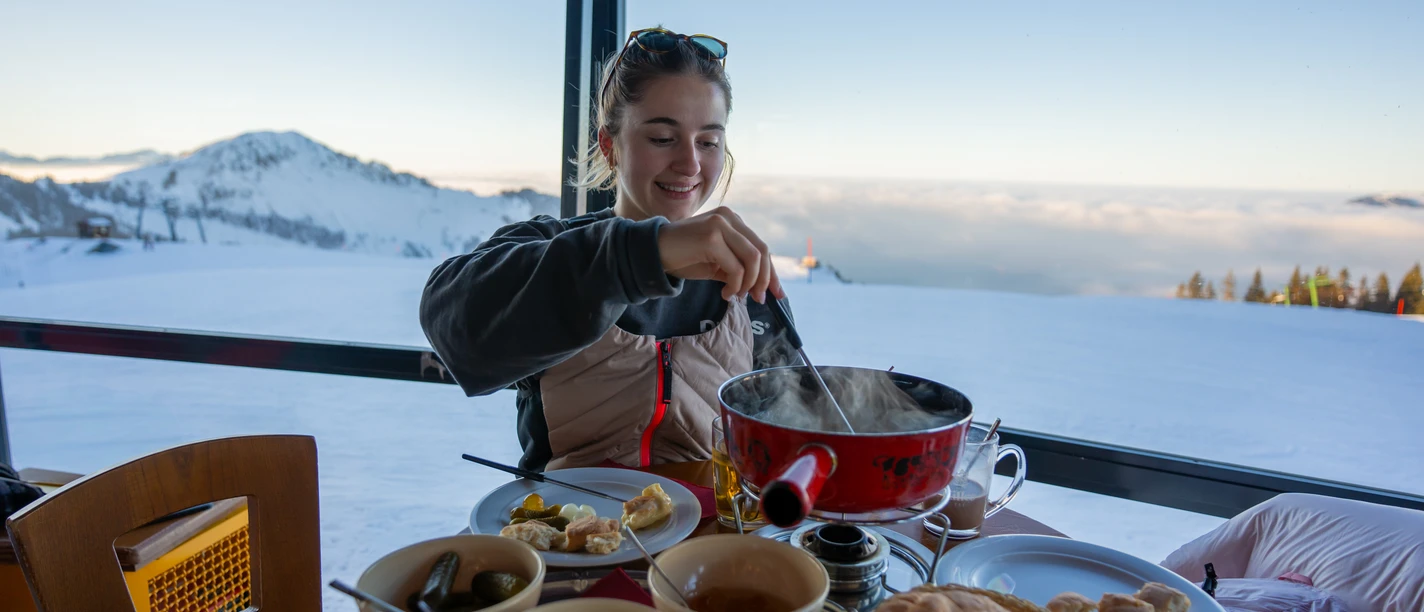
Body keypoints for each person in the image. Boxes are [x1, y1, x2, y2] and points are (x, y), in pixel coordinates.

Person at [419, 27, 797, 472]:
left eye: (709, 142)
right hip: (563, 531)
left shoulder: (741, 269)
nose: (691, 163)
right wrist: (647, 254)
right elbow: (455, 325)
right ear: (610, 145)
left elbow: (786, 423)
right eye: (662, 137)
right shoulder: (549, 247)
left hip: (711, 536)